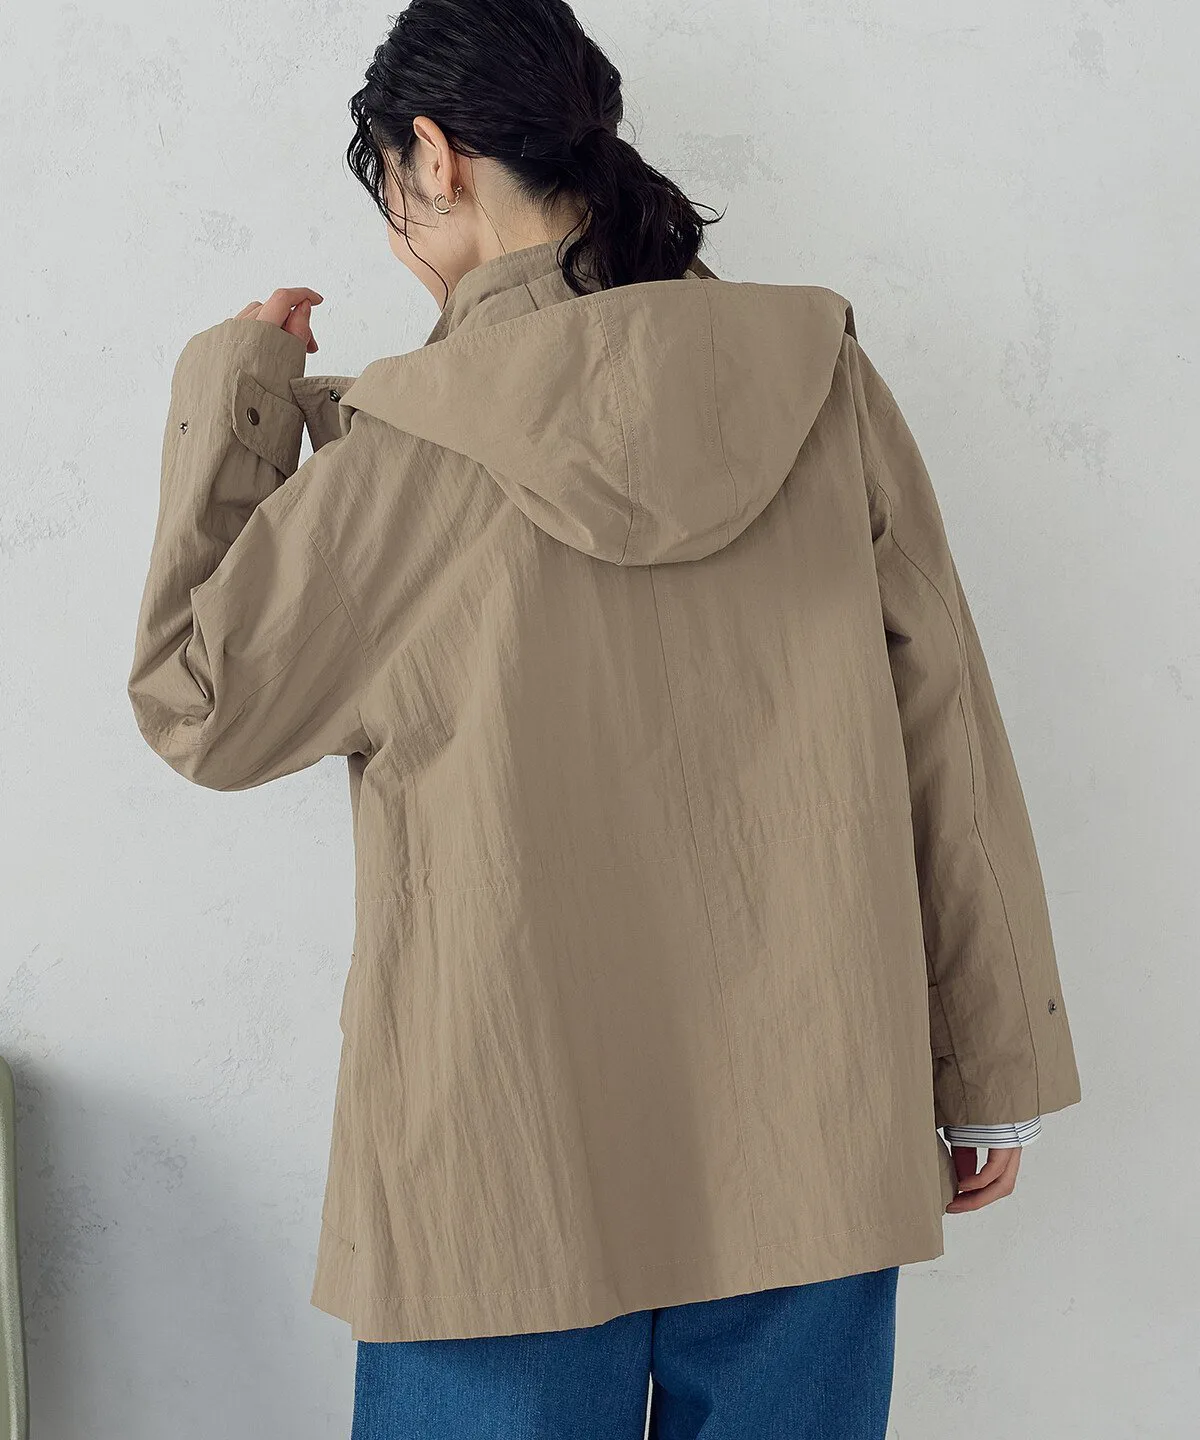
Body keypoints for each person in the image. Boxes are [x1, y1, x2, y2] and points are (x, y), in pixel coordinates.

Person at [126, 1, 1083, 1434]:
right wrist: (987, 1070)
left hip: (500, 1173)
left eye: (390, 182)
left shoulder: (408, 447)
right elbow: (942, 715)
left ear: (435, 155)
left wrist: (238, 397)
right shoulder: (819, 376)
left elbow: (202, 708)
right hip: (816, 1142)